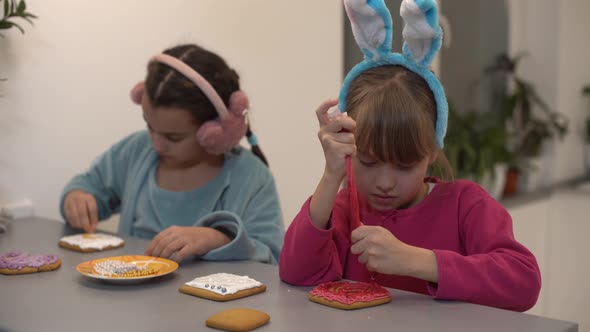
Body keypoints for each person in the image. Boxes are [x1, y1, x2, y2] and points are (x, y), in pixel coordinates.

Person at [279, 0, 541, 311]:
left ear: (431, 152)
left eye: (405, 165)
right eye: (369, 162)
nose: (385, 182)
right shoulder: (345, 208)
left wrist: (418, 261)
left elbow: (524, 283)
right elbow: (296, 274)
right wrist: (331, 174)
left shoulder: (466, 204)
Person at [60, 44, 284, 264]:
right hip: (131, 299)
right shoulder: (136, 150)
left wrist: (218, 239)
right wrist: (77, 197)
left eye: (173, 137)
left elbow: (272, 255)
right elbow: (90, 184)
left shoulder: (252, 178)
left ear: (215, 132)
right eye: (149, 126)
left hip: (209, 302)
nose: (157, 144)